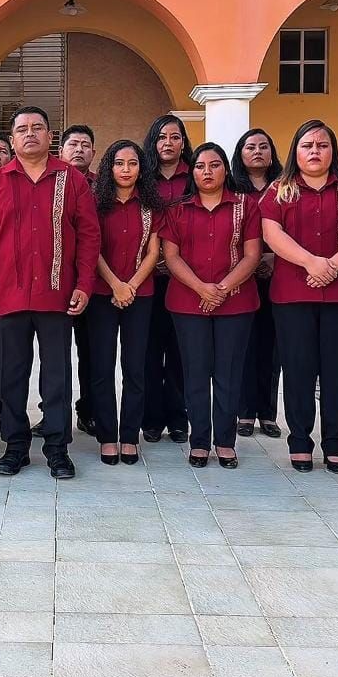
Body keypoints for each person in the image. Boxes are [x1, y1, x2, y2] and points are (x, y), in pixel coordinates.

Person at [0, 106, 100, 480]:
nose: (30, 134)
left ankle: (57, 449)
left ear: (50, 136)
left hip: (56, 294)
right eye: (22, 129)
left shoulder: (71, 180)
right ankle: (15, 447)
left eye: (37, 128)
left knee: (57, 375)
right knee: (11, 375)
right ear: (12, 140)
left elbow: (89, 236)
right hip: (8, 295)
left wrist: (84, 284)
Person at [260, 119, 338, 475]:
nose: (315, 151)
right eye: (307, 145)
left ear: (332, 151)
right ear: (295, 151)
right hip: (292, 296)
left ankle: (335, 445)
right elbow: (272, 233)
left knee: (337, 372)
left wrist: (333, 265)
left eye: (322, 145)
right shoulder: (279, 190)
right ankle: (299, 442)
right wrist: (311, 263)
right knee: (297, 370)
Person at [161, 143, 261, 469]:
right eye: (200, 166)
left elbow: (252, 254)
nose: (207, 172)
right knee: (195, 372)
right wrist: (201, 288)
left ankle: (225, 442)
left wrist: (222, 288)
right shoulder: (178, 209)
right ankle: (200, 441)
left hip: (236, 302)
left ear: (226, 169)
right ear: (192, 172)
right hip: (188, 302)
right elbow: (171, 256)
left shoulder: (245, 205)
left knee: (229, 373)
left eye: (214, 165)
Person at [90, 140, 162, 465]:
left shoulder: (151, 205)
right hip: (102, 294)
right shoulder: (96, 204)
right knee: (102, 368)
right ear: (110, 167)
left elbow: (153, 252)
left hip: (139, 295)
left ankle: (130, 435)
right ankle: (107, 436)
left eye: (133, 164)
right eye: (119, 163)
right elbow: (92, 248)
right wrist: (115, 284)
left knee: (135, 368)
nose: (126, 170)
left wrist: (130, 285)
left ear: (141, 169)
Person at [140, 115, 193, 444]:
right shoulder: (144, 177)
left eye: (175, 137)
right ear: (153, 142)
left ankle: (178, 416)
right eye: (162, 137)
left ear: (183, 142)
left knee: (179, 350)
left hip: (187, 277)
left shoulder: (195, 174)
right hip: (149, 277)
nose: (168, 143)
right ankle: (151, 418)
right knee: (148, 349)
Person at [232, 128, 283, 439]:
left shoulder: (284, 187)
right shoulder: (233, 189)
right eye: (250, 147)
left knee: (272, 347)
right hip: (241, 276)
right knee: (244, 345)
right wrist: (249, 261)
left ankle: (267, 413)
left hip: (278, 275)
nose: (257, 152)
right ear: (240, 153)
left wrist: (275, 258)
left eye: (264, 146)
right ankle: (245, 412)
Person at [57, 124, 97, 436]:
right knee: (53, 354)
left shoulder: (103, 186)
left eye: (85, 145)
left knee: (90, 352)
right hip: (55, 282)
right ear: (61, 150)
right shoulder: (52, 181)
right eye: (73, 144)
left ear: (93, 152)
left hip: (91, 282)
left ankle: (88, 411)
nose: (79, 149)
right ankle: (52, 414)